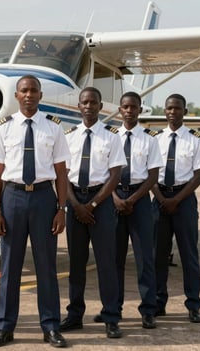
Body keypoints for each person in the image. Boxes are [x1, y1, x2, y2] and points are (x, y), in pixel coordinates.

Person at [0, 75, 70, 348]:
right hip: (13, 197)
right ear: (17, 96)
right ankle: (5, 327)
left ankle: (51, 327)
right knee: (10, 266)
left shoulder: (53, 128)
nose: (29, 95)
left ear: (40, 95)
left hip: (45, 198)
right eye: (24, 91)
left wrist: (61, 208)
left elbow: (61, 172)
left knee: (46, 265)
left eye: (34, 90)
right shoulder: (4, 128)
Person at [60, 86, 126, 339]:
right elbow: (62, 174)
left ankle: (110, 316)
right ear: (79, 106)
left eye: (93, 102)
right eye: (84, 102)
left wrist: (94, 205)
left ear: (100, 107)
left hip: (102, 202)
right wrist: (76, 205)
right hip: (75, 199)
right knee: (76, 263)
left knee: (106, 262)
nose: (88, 106)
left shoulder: (111, 136)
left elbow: (115, 175)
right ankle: (75, 315)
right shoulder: (68, 136)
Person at [152, 94, 200, 323]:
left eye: (177, 108)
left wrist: (176, 200)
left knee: (189, 255)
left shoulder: (195, 139)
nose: (172, 112)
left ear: (185, 112)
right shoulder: (155, 139)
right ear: (164, 111)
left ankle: (193, 305)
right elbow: (151, 173)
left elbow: (198, 176)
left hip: (184, 200)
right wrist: (161, 197)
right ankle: (158, 303)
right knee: (158, 255)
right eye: (169, 108)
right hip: (159, 199)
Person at [113, 92, 163, 329]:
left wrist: (132, 199)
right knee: (114, 259)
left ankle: (148, 310)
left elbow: (153, 175)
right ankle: (114, 307)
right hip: (113, 199)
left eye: (134, 107)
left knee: (145, 258)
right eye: (125, 107)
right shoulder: (111, 136)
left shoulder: (150, 138)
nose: (129, 111)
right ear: (120, 110)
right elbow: (105, 172)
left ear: (140, 110)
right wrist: (115, 198)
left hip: (139, 199)